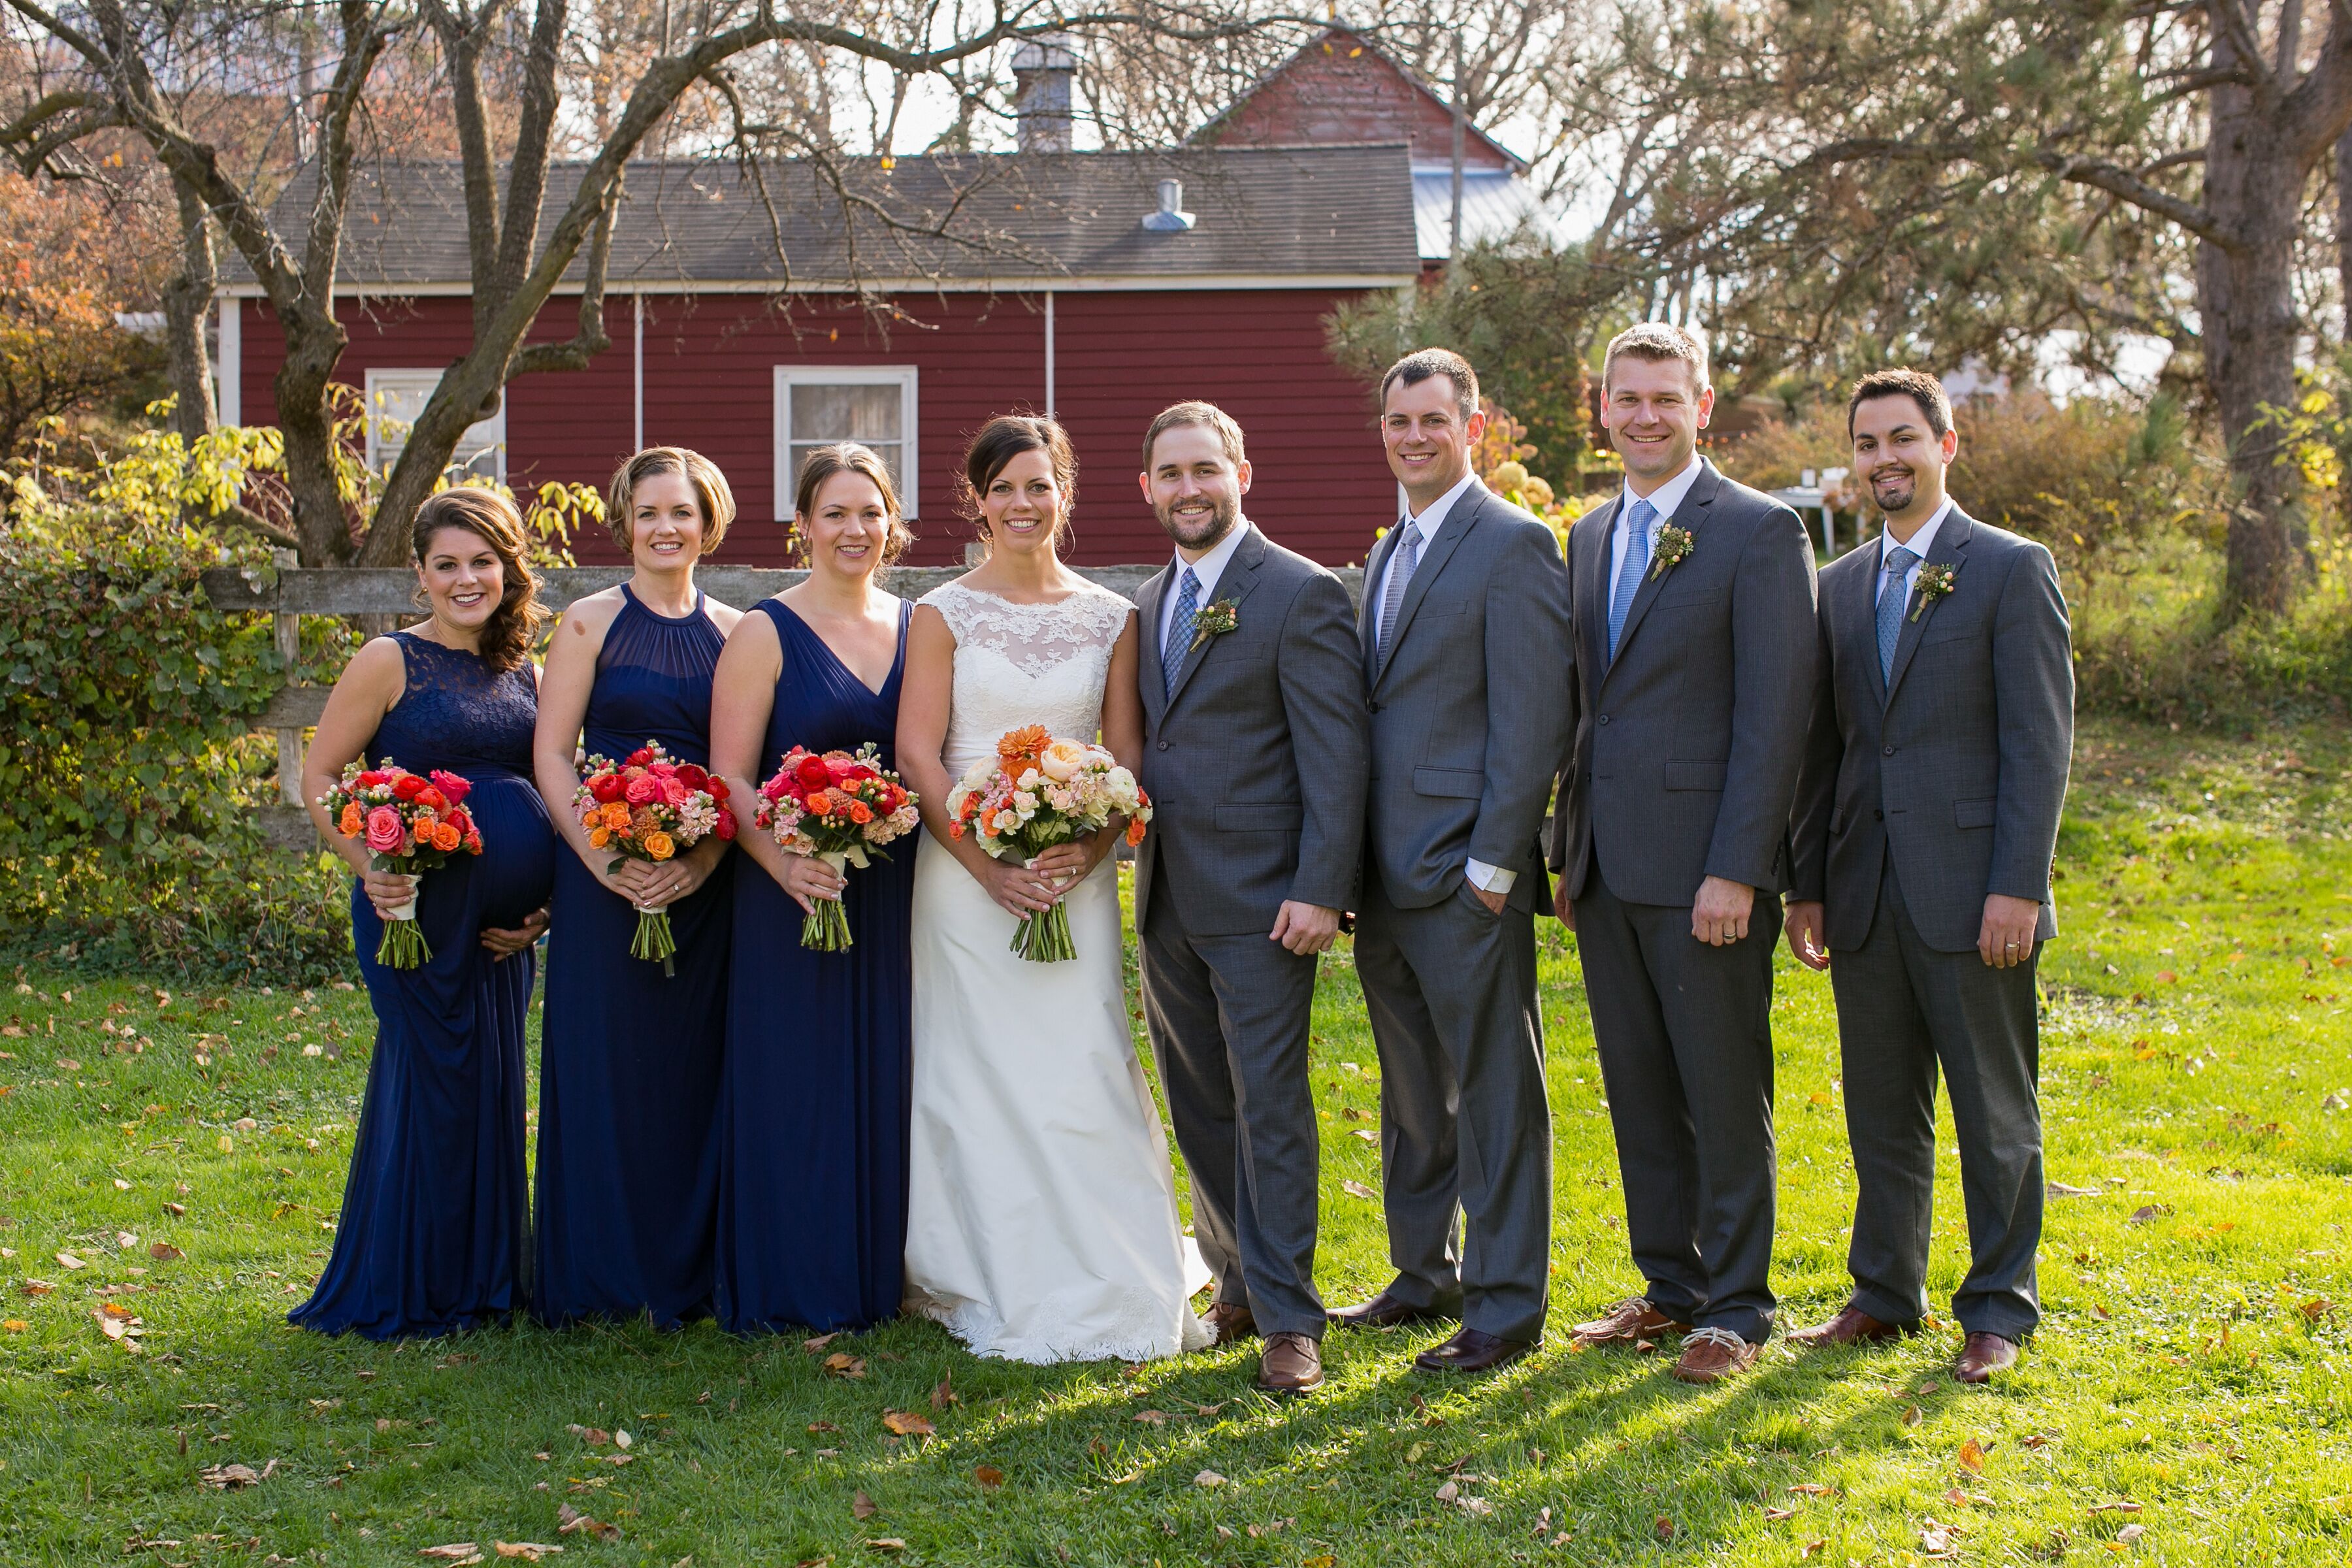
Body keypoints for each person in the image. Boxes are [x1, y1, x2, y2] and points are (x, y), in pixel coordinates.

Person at [896, 415, 1210, 1363]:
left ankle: (1106, 1262)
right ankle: (977, 1267)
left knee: (1081, 1063)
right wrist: (986, 863)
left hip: (1072, 880)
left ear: (1065, 494)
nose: (1023, 505)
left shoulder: (1113, 617)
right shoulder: (942, 612)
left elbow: (1125, 756)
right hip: (962, 881)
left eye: (1040, 486)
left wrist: (1093, 849)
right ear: (978, 502)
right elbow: (918, 750)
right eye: (1005, 489)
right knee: (971, 1074)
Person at [1783, 369, 2072, 1384]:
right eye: (1867, 444)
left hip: (1974, 890)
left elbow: (2039, 744)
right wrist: (1805, 882)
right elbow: (1824, 748)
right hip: (1863, 891)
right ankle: (1884, 1292)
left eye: (1903, 438)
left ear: (1948, 446)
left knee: (1994, 1110)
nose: (1884, 459)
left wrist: (2019, 887)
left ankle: (1998, 1306)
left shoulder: (2008, 568)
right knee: (1881, 1107)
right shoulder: (1841, 582)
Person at [1547, 323, 1818, 1384]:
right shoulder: (1586, 535)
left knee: (1719, 1082)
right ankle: (1670, 1286)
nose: (1646, 416)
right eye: (1629, 399)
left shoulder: (1758, 531)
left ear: (1704, 405)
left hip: (1708, 866)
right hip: (1607, 866)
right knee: (1639, 1087)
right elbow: (1588, 710)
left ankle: (1740, 1307)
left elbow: (1777, 714)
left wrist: (1739, 867)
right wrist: (1570, 854)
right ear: (1602, 407)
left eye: (1668, 398)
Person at [1335, 349, 1573, 1376]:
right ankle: (1422, 1272)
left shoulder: (1513, 544)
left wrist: (1496, 865)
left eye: (1435, 419)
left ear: (1472, 427)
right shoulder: (1391, 552)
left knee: (1492, 1090)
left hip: (1465, 878)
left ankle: (1507, 1300)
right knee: (1410, 1090)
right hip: (1383, 880)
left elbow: (1534, 718)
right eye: (1399, 420)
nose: (1415, 436)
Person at [1131, 402, 1368, 1395]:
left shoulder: (1300, 593)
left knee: (1270, 1107)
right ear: (1146, 488)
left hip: (1269, 903)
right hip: (1166, 899)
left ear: (1242, 473)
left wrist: (1323, 888)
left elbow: (1337, 755)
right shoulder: (1147, 602)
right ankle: (1232, 1279)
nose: (1190, 489)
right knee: (1201, 1106)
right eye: (1170, 473)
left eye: (1205, 469)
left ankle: (1289, 1318)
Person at [290, 489, 556, 1339]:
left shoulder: (529, 671)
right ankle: (410, 1284)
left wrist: (545, 910)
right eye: (448, 564)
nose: (467, 579)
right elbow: (322, 775)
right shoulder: (388, 660)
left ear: (509, 569)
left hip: (504, 935)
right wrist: (370, 867)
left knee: (491, 1087)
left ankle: (484, 1283)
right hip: (413, 916)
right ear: (421, 573)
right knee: (434, 1084)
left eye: (483, 562)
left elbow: (553, 791)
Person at [531, 448, 743, 1328]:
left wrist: (694, 863)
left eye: (683, 512)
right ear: (626, 522)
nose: (665, 527)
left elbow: (739, 770)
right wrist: (604, 862)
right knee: (604, 1068)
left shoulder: (738, 631)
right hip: (600, 879)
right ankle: (598, 1276)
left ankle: (686, 1275)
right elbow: (550, 752)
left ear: (709, 523)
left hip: (702, 884)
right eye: (649, 511)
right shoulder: (588, 622)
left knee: (690, 1072)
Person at [708, 443, 917, 1333]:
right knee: (797, 1079)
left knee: (890, 1076)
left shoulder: (921, 624)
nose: (854, 529)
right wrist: (786, 861)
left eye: (870, 512)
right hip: (793, 890)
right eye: (834, 512)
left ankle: (879, 1275)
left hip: (895, 888)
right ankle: (792, 1277)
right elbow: (728, 773)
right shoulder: (765, 631)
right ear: (802, 527)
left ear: (893, 524)